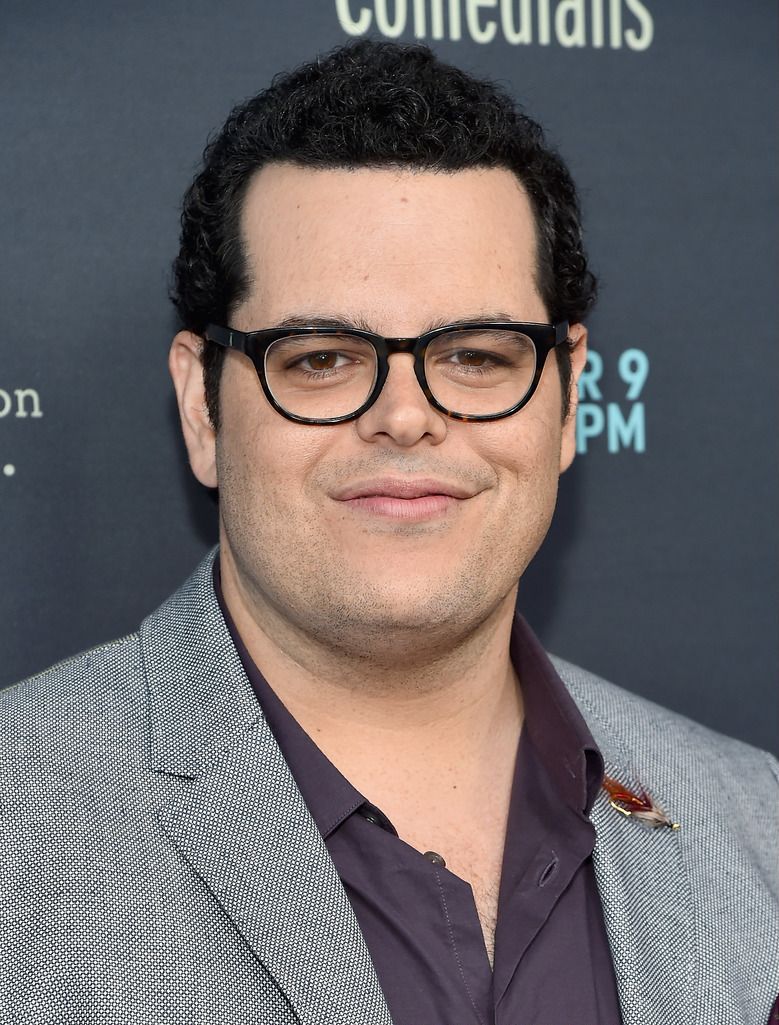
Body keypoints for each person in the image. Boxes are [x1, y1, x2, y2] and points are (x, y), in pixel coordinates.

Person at [0, 40, 776, 1025]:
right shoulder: (14, 825)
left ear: (571, 392)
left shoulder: (756, 827)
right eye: (322, 357)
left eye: (477, 355)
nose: (405, 415)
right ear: (202, 405)